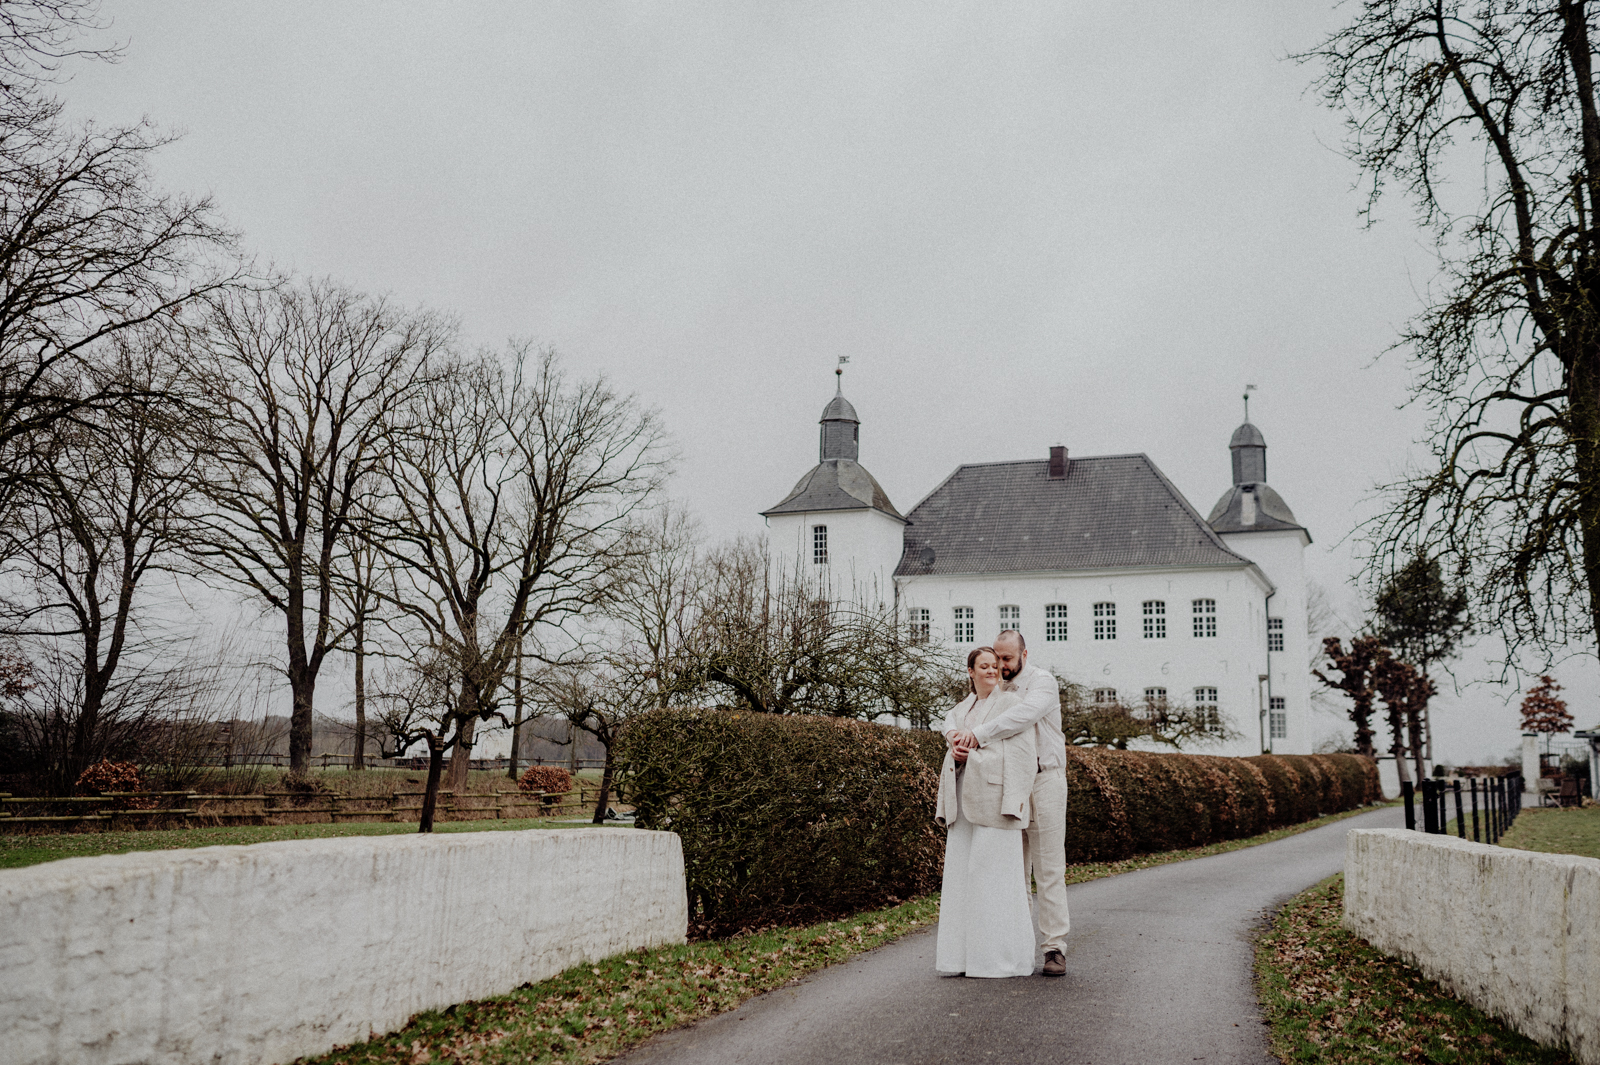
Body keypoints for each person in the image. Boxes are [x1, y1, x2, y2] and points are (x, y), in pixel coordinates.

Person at [945, 629, 1070, 976]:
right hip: (1005, 783)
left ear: (1024, 655)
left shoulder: (1042, 683)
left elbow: (1021, 718)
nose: (1000, 665)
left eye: (1007, 659)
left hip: (1043, 781)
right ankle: (1016, 950)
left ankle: (1054, 947)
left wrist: (977, 736)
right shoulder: (994, 691)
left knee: (1047, 870)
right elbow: (963, 715)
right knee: (1011, 872)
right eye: (996, 658)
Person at [934, 646, 1038, 978]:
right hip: (963, 801)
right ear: (971, 671)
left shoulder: (1011, 705)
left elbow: (1021, 756)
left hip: (995, 803)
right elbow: (950, 733)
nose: (992, 671)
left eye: (996, 666)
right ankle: (961, 959)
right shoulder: (960, 709)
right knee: (963, 879)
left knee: (994, 881)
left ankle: (999, 960)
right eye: (985, 666)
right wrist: (956, 753)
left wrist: (972, 757)